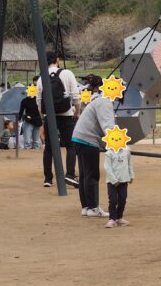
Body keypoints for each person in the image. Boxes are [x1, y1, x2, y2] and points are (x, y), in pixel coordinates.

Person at [70, 74, 112, 218]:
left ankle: (86, 206)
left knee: (84, 175)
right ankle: (93, 208)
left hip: (78, 137)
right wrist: (116, 144)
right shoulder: (105, 102)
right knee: (92, 174)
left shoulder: (95, 100)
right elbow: (108, 126)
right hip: (88, 139)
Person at [37, 53, 80, 188]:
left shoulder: (41, 78)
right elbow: (75, 97)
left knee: (49, 147)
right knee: (70, 146)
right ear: (57, 60)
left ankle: (48, 178)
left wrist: (43, 117)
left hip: (50, 116)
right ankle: (70, 175)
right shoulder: (67, 73)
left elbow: (39, 101)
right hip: (66, 114)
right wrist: (77, 112)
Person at [104, 146, 134, 228]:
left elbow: (129, 163)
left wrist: (131, 175)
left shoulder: (127, 150)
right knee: (113, 200)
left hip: (124, 180)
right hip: (112, 182)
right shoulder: (108, 153)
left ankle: (119, 218)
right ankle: (112, 219)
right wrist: (114, 180)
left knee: (122, 199)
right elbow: (107, 168)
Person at [17, 77, 42, 149]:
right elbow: (21, 111)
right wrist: (19, 120)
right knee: (27, 141)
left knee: (36, 141)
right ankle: (27, 154)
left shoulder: (39, 99)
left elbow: (42, 110)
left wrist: (42, 118)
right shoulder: (24, 100)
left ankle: (35, 155)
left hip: (37, 120)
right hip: (28, 120)